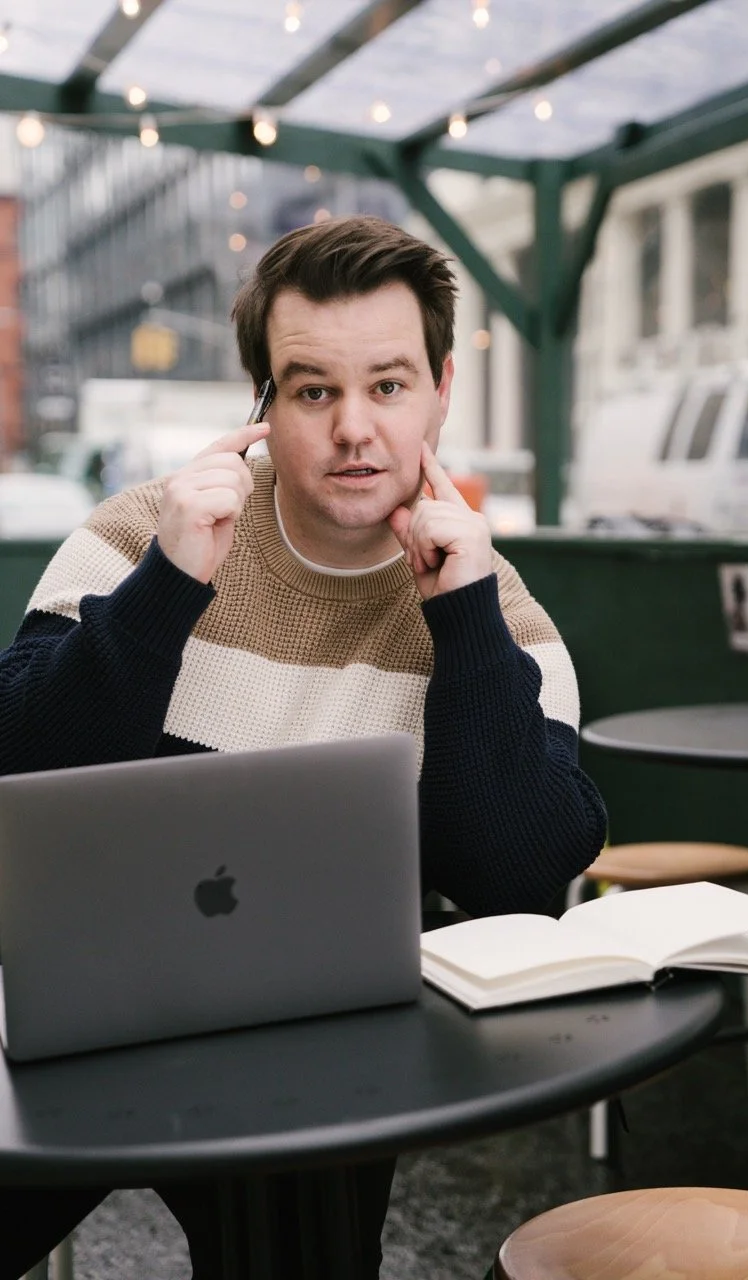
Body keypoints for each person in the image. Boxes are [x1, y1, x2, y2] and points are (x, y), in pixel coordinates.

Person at [0, 214, 607, 1278]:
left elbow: (518, 878)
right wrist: (168, 586)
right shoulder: (144, 533)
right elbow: (20, 761)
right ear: (263, 404)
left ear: (440, 389)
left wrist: (458, 614)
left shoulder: (495, 614)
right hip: (61, 1016)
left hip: (313, 1047)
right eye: (314, 389)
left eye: (387, 384)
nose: (354, 429)